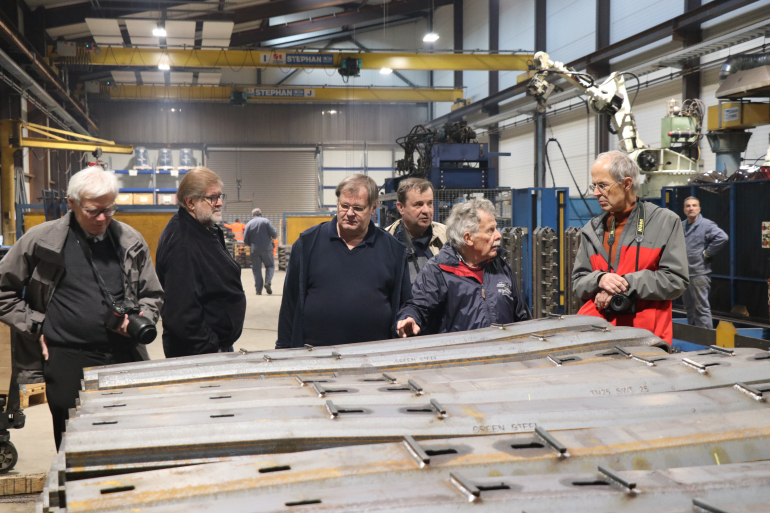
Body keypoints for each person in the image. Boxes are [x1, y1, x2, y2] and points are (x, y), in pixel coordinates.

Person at [0, 167, 164, 449]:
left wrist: (142, 317)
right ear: (72, 203)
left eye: (109, 210)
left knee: (126, 439)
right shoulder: (41, 241)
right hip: (67, 358)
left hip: (123, 356)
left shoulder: (130, 241)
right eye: (93, 211)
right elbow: (4, 291)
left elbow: (152, 293)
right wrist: (35, 325)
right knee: (73, 442)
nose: (102, 218)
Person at [277, 174, 411, 348]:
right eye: (344, 206)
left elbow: (404, 304)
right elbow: (289, 305)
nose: (349, 214)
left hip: (374, 357)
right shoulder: (307, 244)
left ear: (373, 208)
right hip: (315, 356)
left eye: (358, 208)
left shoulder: (393, 250)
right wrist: (283, 350)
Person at [572, 151, 689, 343]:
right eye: (594, 186)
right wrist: (600, 279)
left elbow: (676, 280)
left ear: (626, 184)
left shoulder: (664, 222)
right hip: (595, 336)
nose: (595, 193)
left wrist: (625, 284)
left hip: (645, 338)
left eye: (602, 185)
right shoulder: (592, 230)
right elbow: (578, 282)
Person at [396, 198, 529, 337]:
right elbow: (418, 306)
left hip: (503, 350)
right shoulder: (438, 271)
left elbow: (520, 317)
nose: (498, 235)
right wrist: (410, 318)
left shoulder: (501, 267)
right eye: (490, 230)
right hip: (459, 351)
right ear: (468, 238)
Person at [156, 167, 246, 357]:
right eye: (212, 198)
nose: (219, 203)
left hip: (212, 347)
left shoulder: (203, 229)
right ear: (190, 202)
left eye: (220, 196)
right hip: (200, 353)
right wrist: (211, 346)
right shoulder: (182, 243)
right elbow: (181, 313)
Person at [385, 177, 447, 282]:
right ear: (401, 207)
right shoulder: (386, 240)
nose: (426, 210)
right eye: (418, 204)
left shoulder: (448, 237)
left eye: (430, 203)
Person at [681, 196, 728, 328]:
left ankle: (707, 338)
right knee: (689, 308)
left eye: (694, 205)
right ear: (684, 210)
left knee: (701, 308)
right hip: (684, 274)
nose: (691, 208)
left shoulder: (706, 225)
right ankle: (693, 336)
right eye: (688, 206)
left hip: (699, 274)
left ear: (699, 209)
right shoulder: (681, 225)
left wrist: (708, 253)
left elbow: (722, 237)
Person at [243, 208, 278, 295]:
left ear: (252, 214)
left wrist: (251, 245)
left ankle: (258, 290)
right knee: (270, 266)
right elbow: (274, 234)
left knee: (256, 269)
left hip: (254, 249)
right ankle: (268, 282)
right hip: (267, 249)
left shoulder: (249, 224)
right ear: (260, 213)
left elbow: (245, 239)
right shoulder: (266, 221)